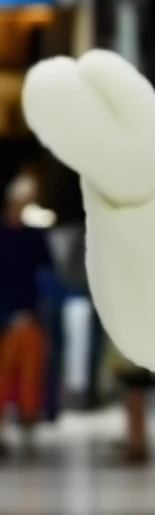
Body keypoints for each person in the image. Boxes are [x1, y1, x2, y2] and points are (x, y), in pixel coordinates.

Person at [0, 175, 53, 456]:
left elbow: (46, 274)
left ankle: (29, 422)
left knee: (31, 372)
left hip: (28, 313)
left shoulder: (34, 236)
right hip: (5, 314)